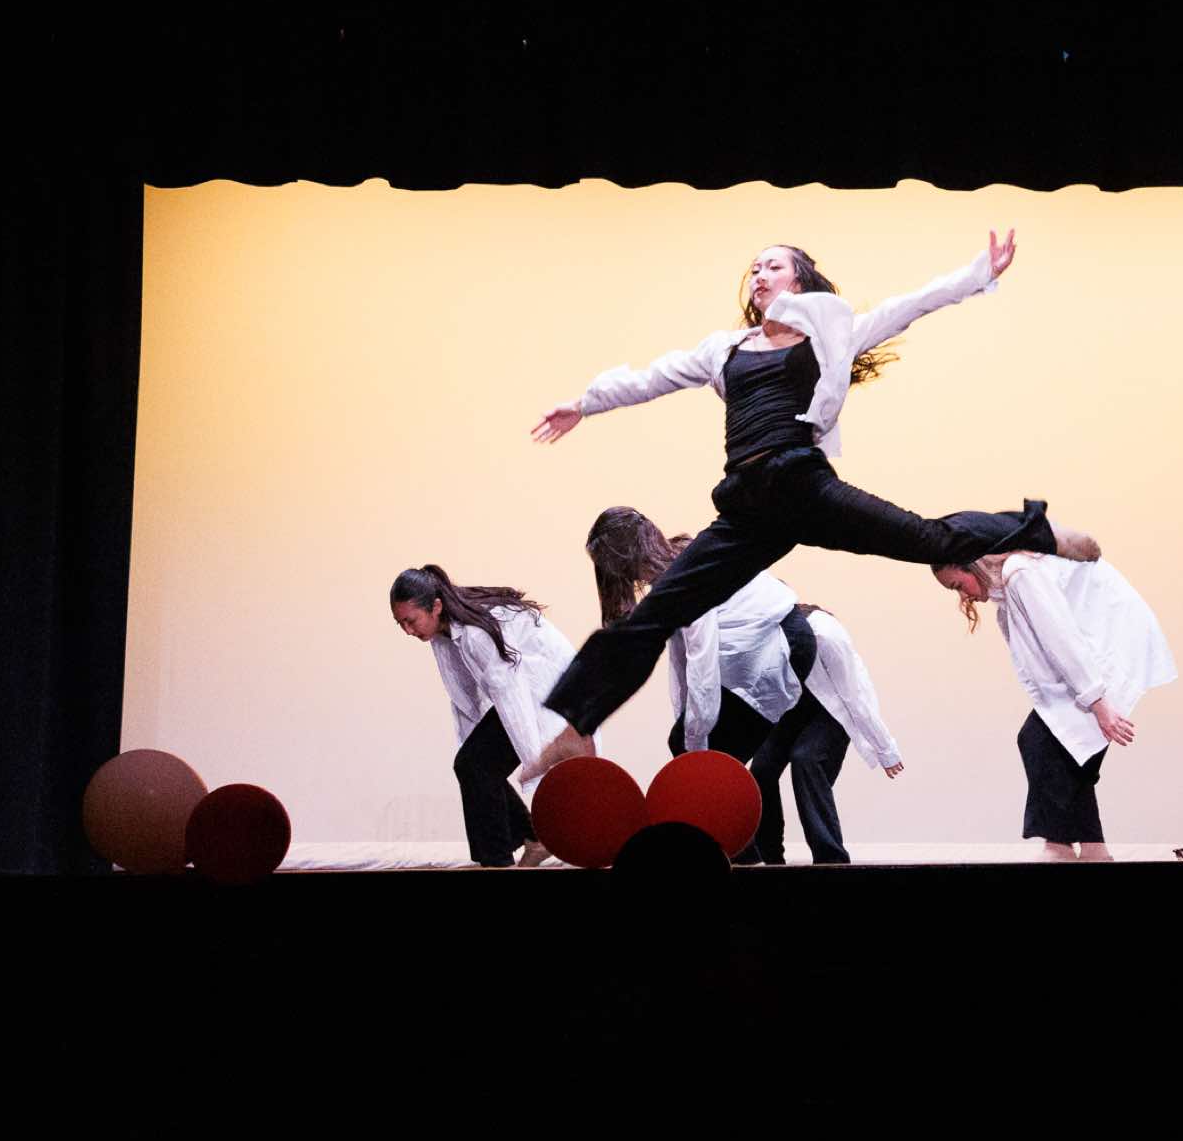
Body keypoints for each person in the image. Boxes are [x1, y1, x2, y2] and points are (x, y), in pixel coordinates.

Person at [526, 232, 1099, 781]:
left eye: (773, 266)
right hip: (747, 507)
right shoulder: (724, 351)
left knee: (931, 540)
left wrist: (978, 275)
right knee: (658, 610)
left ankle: (1040, 532)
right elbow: (652, 377)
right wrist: (585, 403)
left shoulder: (830, 335)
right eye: (754, 268)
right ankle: (577, 726)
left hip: (803, 485)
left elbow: (908, 307)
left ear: (798, 283)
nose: (759, 274)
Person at [585, 505, 902, 864]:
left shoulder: (689, 575)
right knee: (723, 757)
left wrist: (885, 748)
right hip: (766, 660)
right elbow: (682, 660)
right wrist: (687, 726)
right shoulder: (673, 576)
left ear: (627, 557)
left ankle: (780, 856)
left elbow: (702, 661)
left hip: (790, 655)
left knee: (769, 758)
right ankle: (758, 855)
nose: (623, 579)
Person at [932, 551, 1175, 861]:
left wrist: (1097, 702)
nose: (962, 596)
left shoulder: (1020, 574)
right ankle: (1093, 849)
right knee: (1063, 749)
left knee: (1039, 741)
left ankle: (1059, 847)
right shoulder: (1009, 592)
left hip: (1109, 649)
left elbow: (1061, 640)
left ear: (973, 566)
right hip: (1095, 655)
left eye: (957, 585)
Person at [389, 564, 587, 867]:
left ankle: (498, 862)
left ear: (436, 607)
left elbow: (514, 698)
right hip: (531, 690)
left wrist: (536, 769)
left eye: (411, 620)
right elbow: (465, 700)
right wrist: (470, 754)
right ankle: (532, 838)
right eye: (400, 623)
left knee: (475, 765)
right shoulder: (442, 636)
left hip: (552, 691)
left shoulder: (475, 634)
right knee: (473, 765)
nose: (407, 631)